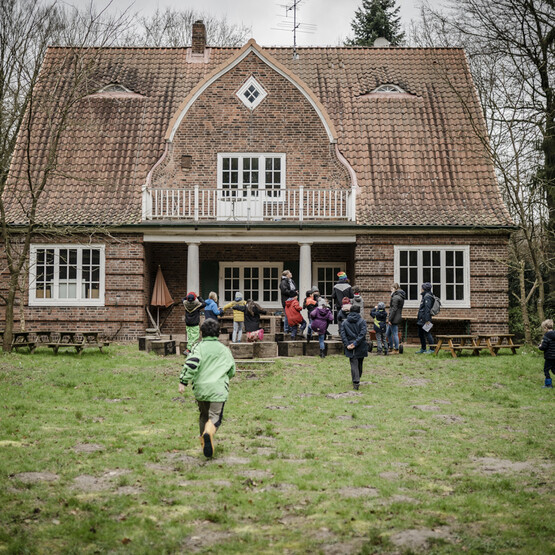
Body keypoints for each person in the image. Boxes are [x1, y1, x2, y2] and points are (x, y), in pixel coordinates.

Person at [179, 319, 236, 458]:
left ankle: (204, 443)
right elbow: (232, 370)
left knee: (204, 415)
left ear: (202, 333)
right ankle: (208, 433)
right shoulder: (224, 349)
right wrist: (225, 376)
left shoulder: (198, 347)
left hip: (201, 390)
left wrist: (183, 381)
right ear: (218, 333)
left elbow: (191, 364)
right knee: (215, 417)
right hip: (218, 389)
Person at [340, 304, 368, 390]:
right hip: (360, 345)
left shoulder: (344, 322)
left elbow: (342, 334)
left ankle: (356, 381)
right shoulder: (362, 321)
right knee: (359, 363)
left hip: (350, 345)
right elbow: (363, 334)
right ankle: (357, 378)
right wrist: (355, 343)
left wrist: (347, 344)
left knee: (353, 364)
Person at [386, 283, 406, 354]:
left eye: (392, 289)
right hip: (396, 316)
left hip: (394, 318)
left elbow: (393, 309)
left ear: (395, 288)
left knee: (394, 334)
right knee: (388, 334)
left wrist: (390, 319)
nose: (391, 290)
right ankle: (391, 347)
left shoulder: (395, 297)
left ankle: (396, 349)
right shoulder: (399, 296)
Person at [416, 282, 435, 354]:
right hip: (421, 319)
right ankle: (423, 348)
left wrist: (427, 320)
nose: (421, 289)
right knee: (420, 334)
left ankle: (432, 349)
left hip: (425, 319)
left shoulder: (427, 297)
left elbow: (427, 309)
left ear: (424, 289)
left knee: (427, 333)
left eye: (422, 288)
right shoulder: (424, 296)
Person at [538, 319, 555, 388]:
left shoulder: (546, 336)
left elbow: (543, 347)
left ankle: (548, 384)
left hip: (549, 357)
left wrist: (540, 346)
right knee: (554, 370)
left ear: (546, 328)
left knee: (546, 370)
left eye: (543, 329)